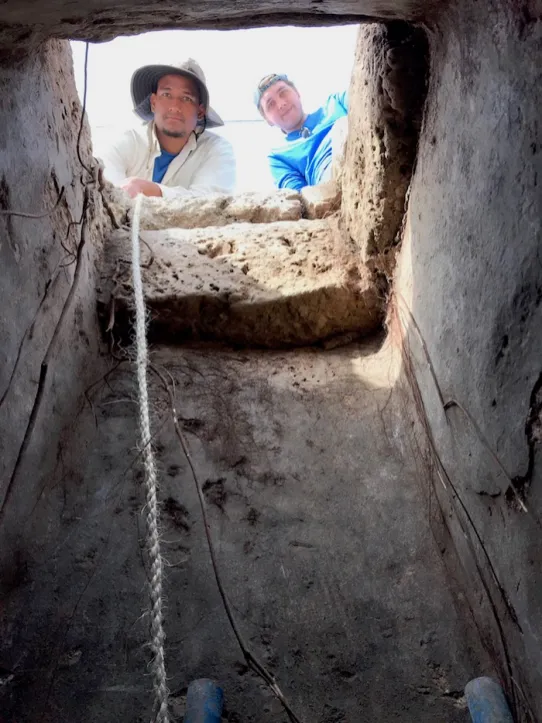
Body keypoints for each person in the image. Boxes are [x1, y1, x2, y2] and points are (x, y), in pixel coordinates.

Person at [99, 58, 236, 199]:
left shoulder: (216, 150)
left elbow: (210, 203)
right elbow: (105, 192)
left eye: (186, 98)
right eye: (166, 95)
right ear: (153, 102)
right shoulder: (126, 142)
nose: (175, 107)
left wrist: (150, 190)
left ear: (200, 111)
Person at [254, 73, 348, 191]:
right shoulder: (278, 157)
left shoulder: (336, 102)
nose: (281, 104)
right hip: (333, 185)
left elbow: (368, 98)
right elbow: (300, 197)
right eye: (270, 104)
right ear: (268, 120)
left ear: (297, 93)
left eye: (283, 92)